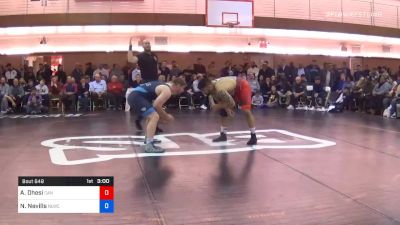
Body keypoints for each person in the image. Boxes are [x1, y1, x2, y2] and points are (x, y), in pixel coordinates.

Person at [127, 78, 186, 153]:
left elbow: (155, 105)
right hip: (136, 97)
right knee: (154, 116)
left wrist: (163, 117)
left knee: (152, 116)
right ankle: (149, 145)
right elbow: (157, 105)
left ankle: (148, 139)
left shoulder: (164, 85)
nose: (183, 90)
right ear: (177, 85)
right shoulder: (167, 90)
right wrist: (166, 117)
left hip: (135, 96)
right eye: (183, 88)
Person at [198, 76, 257, 145]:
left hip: (242, 85)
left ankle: (253, 136)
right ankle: (223, 135)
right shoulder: (212, 89)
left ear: (208, 86)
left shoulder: (220, 88)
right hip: (232, 90)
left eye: (203, 90)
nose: (203, 92)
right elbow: (223, 101)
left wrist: (217, 106)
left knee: (246, 111)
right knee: (223, 112)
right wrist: (227, 110)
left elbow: (232, 103)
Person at [127, 37, 163, 132]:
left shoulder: (154, 56)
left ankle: (154, 125)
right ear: (143, 46)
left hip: (155, 81)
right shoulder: (140, 56)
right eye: (145, 43)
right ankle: (139, 120)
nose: (148, 45)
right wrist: (130, 46)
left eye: (148, 43)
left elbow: (155, 67)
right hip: (146, 82)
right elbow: (130, 59)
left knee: (156, 104)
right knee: (148, 104)